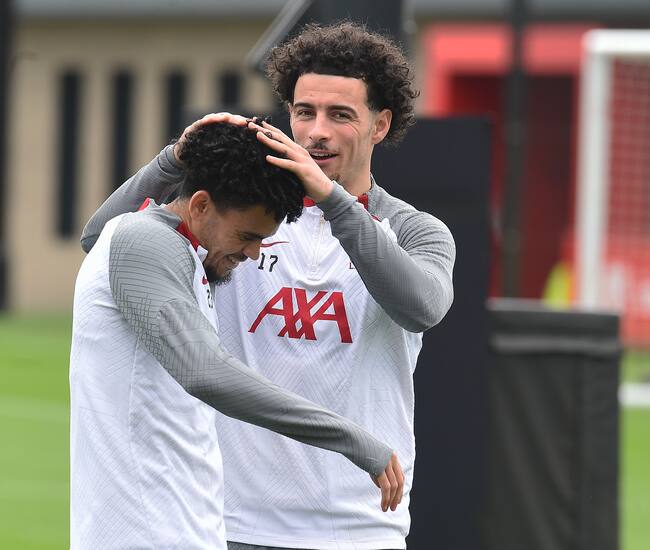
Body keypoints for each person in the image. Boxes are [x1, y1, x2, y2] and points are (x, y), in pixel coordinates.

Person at [82, 22, 455, 550]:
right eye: (304, 112)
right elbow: (101, 240)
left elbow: (423, 307)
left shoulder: (416, 230)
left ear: (380, 124)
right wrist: (173, 159)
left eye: (340, 115)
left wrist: (333, 202)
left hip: (357, 527)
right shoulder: (244, 214)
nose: (316, 132)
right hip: (232, 522)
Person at [70, 119, 404, 550]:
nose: (252, 253)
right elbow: (206, 372)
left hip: (187, 531)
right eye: (247, 236)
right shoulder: (144, 241)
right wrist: (351, 438)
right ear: (201, 205)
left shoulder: (180, 249)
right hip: (142, 534)